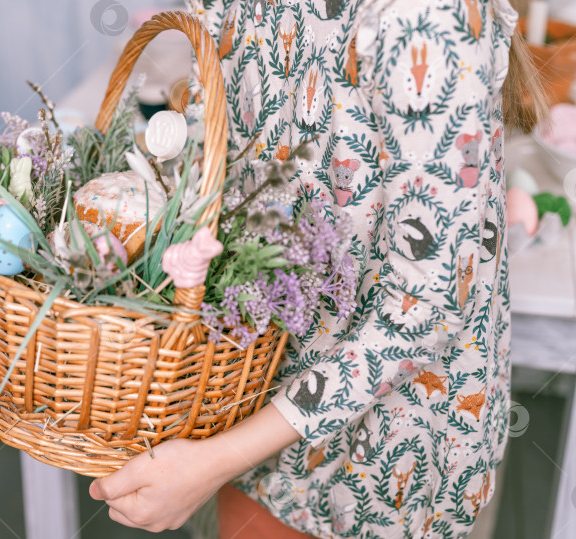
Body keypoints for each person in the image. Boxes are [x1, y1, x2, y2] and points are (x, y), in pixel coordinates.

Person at [88, 0, 547, 538]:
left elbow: (427, 304)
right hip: (256, 387)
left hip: (386, 445)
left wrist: (214, 462)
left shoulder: (423, 15)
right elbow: (217, 181)